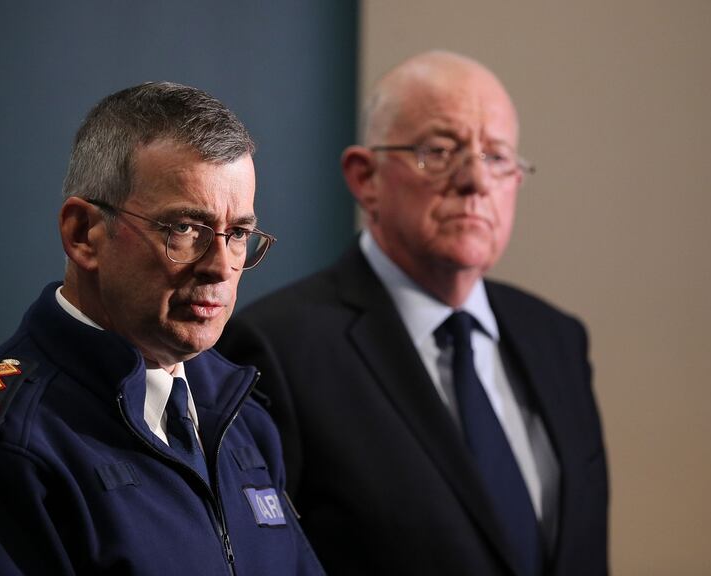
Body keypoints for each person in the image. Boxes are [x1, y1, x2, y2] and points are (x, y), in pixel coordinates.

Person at [0, 82, 324, 575]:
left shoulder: (244, 419)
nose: (221, 267)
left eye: (238, 234)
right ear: (83, 234)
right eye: (184, 228)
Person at [216, 51, 608, 575]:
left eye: (497, 157)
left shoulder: (558, 339)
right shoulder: (278, 348)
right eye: (441, 150)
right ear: (365, 177)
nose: (475, 181)